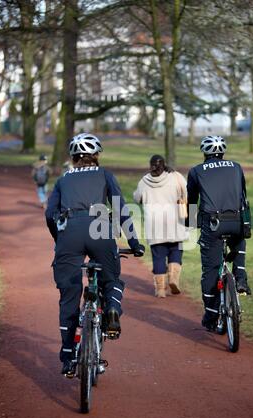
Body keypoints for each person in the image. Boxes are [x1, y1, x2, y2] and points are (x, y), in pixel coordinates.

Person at [45, 133, 145, 376]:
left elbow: (50, 214)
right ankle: (111, 307)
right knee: (111, 280)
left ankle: (68, 356)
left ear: (74, 157)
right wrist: (134, 242)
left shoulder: (63, 179)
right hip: (99, 225)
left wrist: (60, 241)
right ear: (96, 155)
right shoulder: (105, 175)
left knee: (69, 294)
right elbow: (120, 208)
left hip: (69, 230)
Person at [187, 135, 251, 331]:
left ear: (205, 153)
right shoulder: (237, 167)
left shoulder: (196, 171)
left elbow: (191, 201)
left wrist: (190, 223)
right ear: (222, 152)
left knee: (210, 271)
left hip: (213, 225)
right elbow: (243, 196)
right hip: (237, 221)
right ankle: (240, 278)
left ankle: (211, 316)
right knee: (238, 243)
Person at [133, 155, 188, 298]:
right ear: (164, 165)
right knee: (176, 249)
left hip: (154, 225)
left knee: (158, 257)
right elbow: (186, 192)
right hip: (174, 222)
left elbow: (137, 198)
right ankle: (173, 279)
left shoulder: (144, 181)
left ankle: (161, 290)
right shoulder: (175, 177)